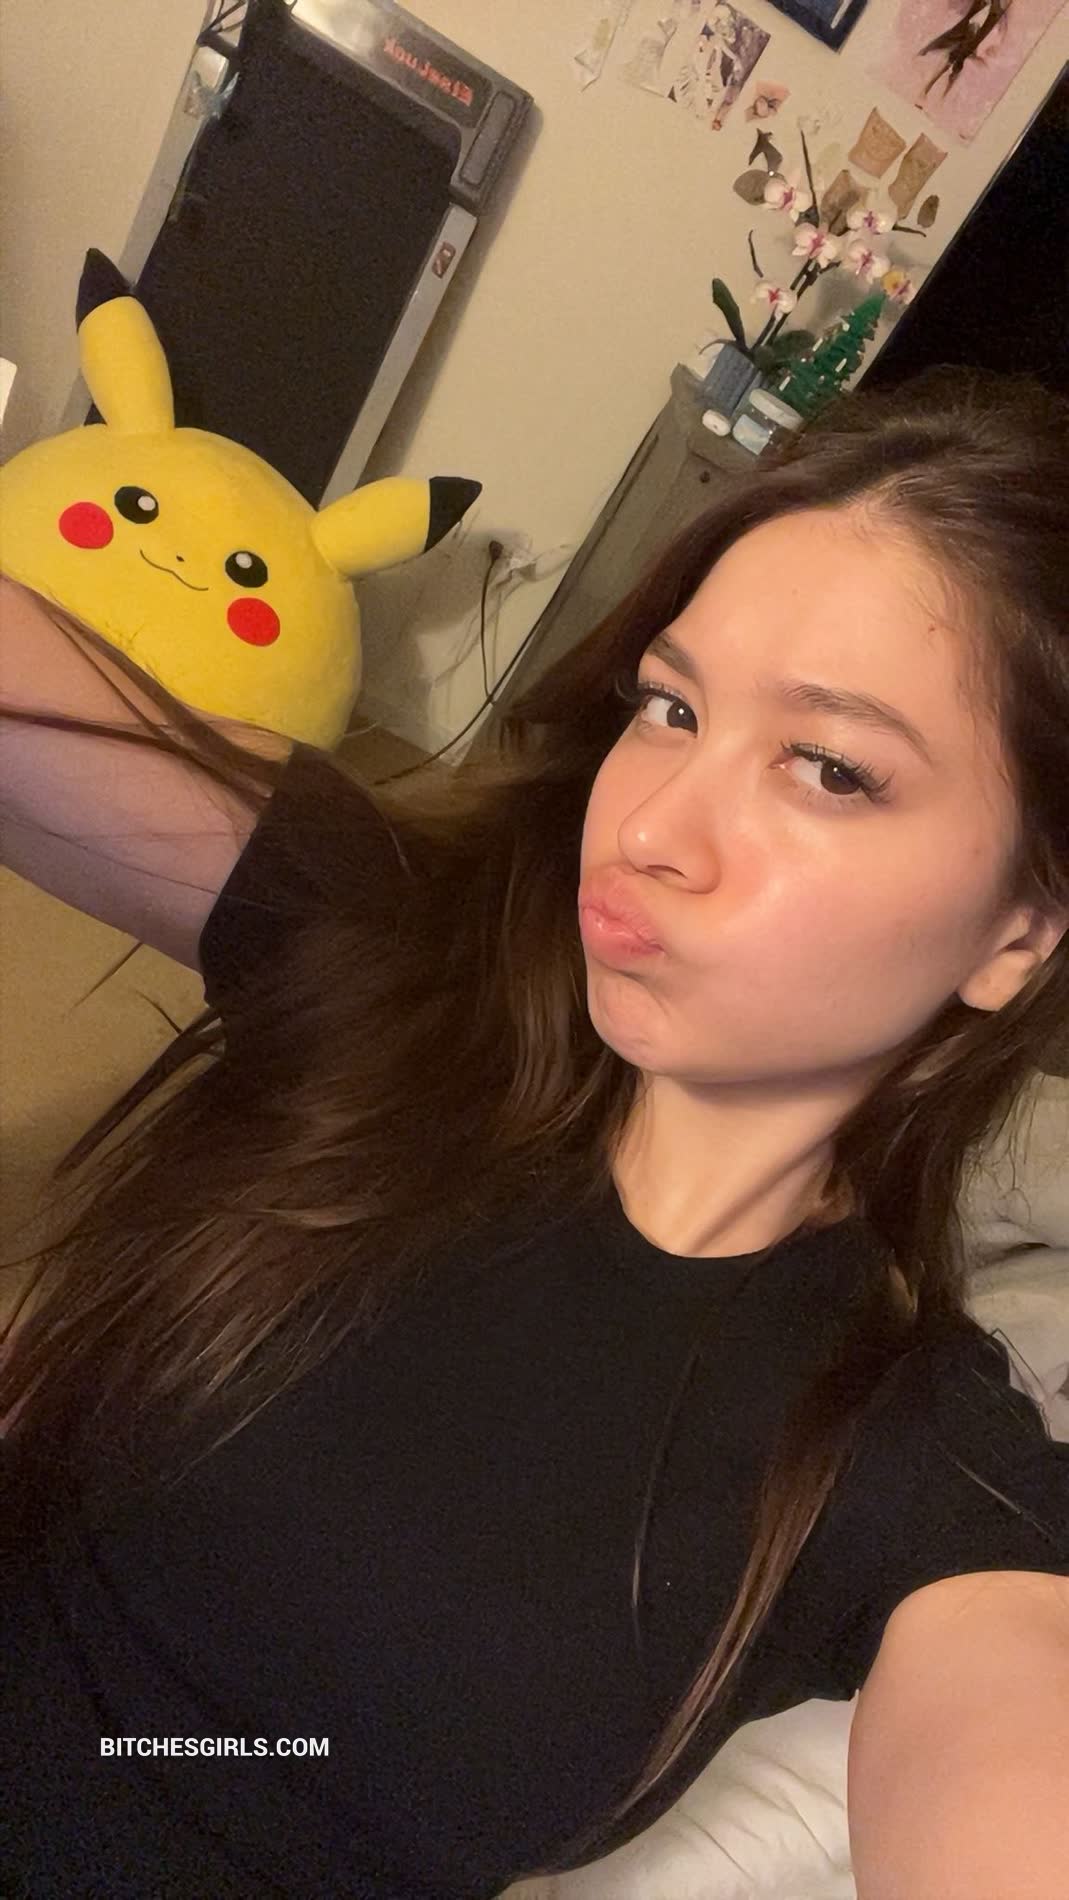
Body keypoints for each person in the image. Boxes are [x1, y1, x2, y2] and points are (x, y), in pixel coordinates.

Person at [1, 367, 1068, 1899]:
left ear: (1019, 931)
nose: (649, 828)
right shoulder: (403, 961)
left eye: (828, 767)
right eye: (669, 707)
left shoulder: (902, 1458)